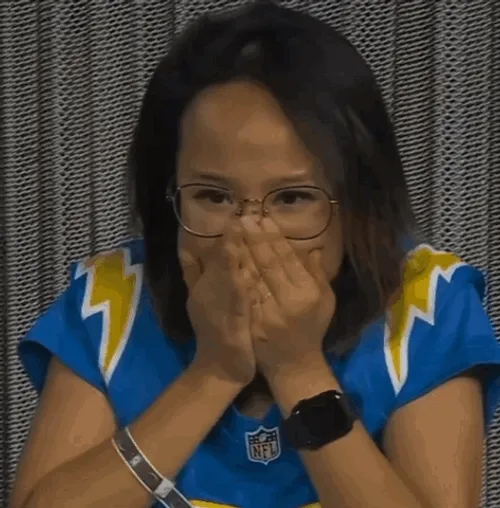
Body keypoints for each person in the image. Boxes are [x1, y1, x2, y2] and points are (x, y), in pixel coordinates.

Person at [10, 1, 500, 507]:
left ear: (358, 205)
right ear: (169, 196)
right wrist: (214, 372)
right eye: (213, 197)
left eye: (292, 198)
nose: (247, 235)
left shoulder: (427, 307)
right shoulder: (111, 302)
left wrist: (297, 369)